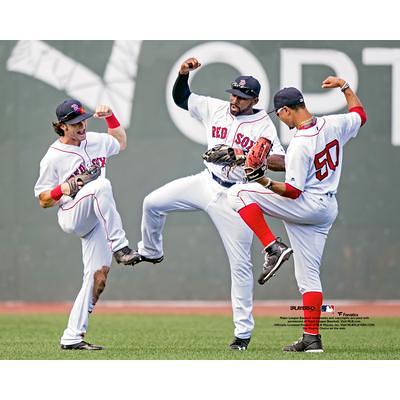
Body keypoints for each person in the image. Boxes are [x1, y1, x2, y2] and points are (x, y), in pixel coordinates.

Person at [129, 57, 286, 351]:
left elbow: (282, 162)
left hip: (236, 197)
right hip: (206, 181)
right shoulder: (215, 107)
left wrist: (245, 154)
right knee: (152, 203)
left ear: (254, 100)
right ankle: (151, 251)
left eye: (241, 97)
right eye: (233, 94)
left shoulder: (263, 124)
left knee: (240, 266)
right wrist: (182, 75)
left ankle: (242, 334)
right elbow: (181, 99)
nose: (234, 100)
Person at [227, 76, 367, 352]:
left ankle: (272, 247)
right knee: (309, 277)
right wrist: (345, 87)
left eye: (280, 115)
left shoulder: (301, 144)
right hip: (326, 208)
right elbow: (359, 114)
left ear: (287, 110)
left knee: (238, 193)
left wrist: (261, 179)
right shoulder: (334, 123)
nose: (281, 120)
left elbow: (291, 191)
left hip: (306, 204)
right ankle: (311, 339)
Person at [34, 99, 137, 350]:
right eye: (74, 123)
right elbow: (43, 200)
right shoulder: (53, 157)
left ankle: (72, 337)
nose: (81, 126)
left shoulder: (96, 140)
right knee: (100, 185)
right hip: (72, 213)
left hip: (96, 215)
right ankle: (121, 247)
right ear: (61, 127)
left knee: (97, 279)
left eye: (82, 120)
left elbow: (120, 142)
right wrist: (63, 188)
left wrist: (111, 117)